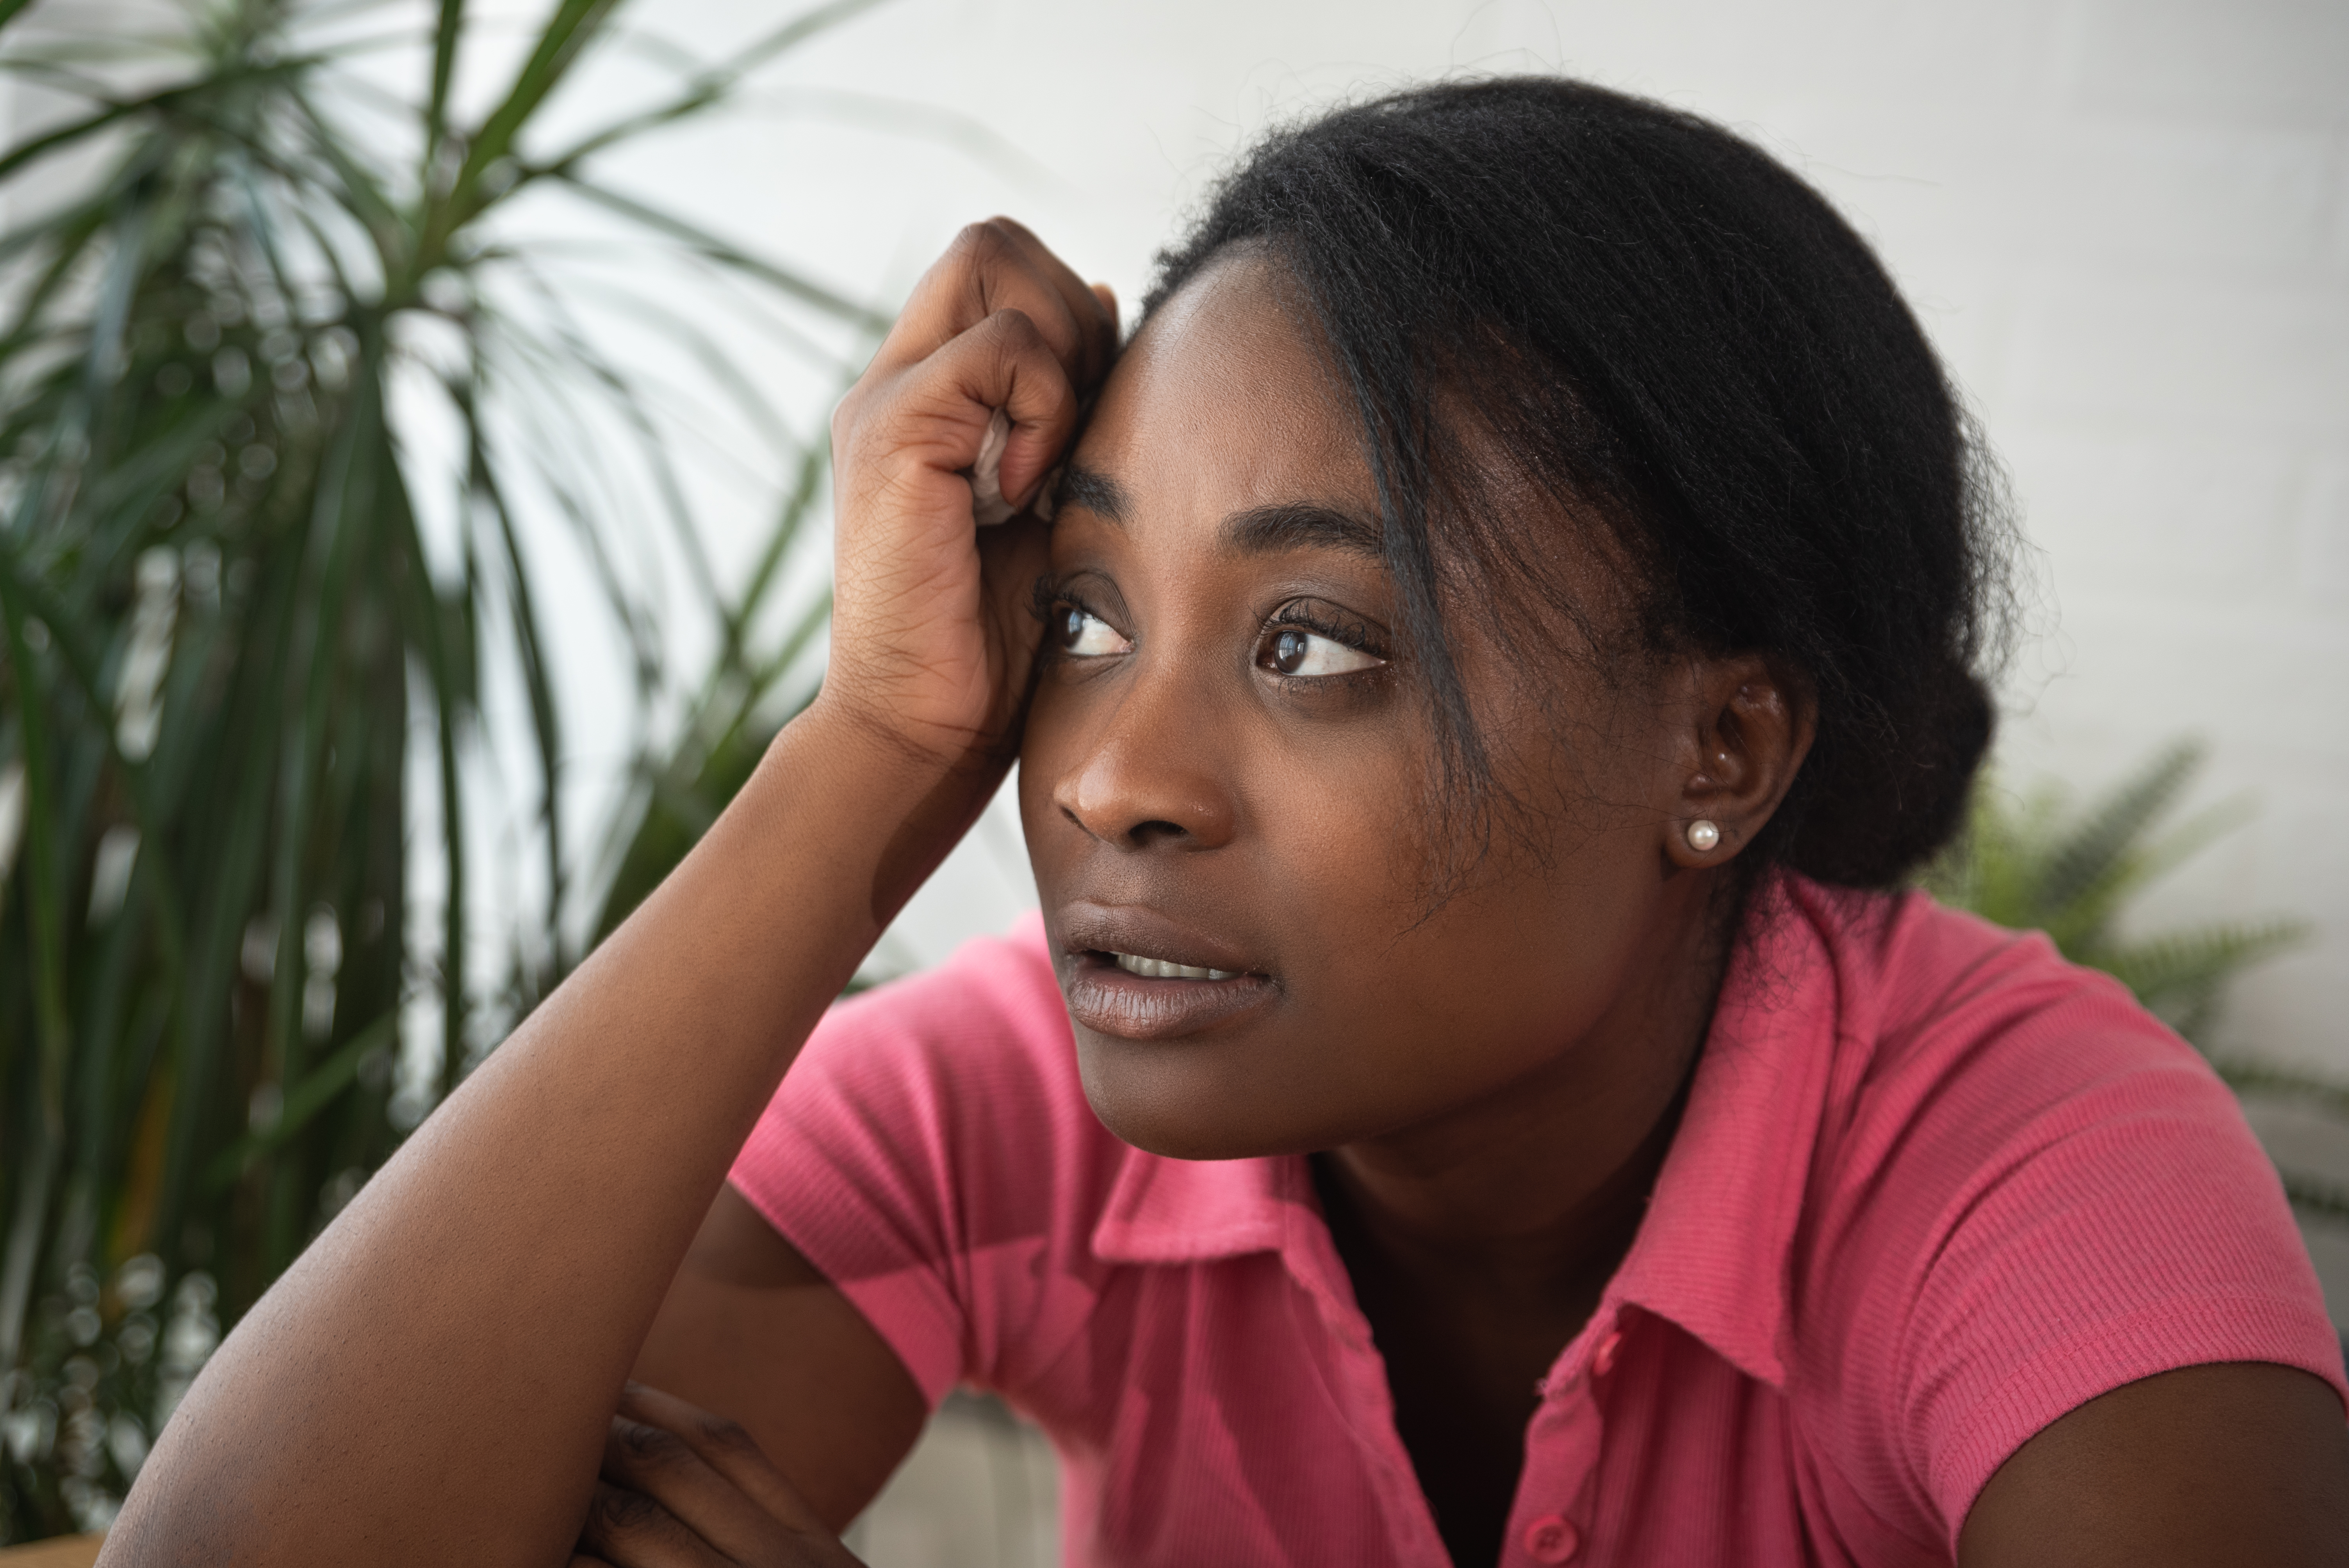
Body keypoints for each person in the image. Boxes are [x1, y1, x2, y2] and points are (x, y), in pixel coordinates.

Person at [106, 78, 2348, 1568]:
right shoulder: (1019, 1098)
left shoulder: (2038, 1179)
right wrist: (871, 750)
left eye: (1312, 645)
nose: (1107, 778)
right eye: (1085, 616)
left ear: (1722, 752)